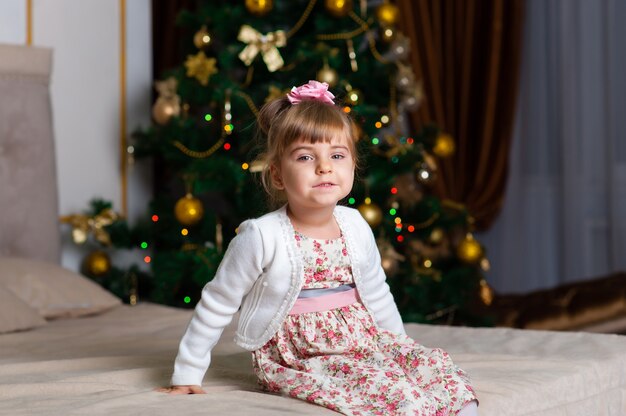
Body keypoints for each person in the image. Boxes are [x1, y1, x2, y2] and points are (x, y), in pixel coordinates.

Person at [158, 80, 478, 415]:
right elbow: (218, 301)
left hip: (363, 342)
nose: (324, 166)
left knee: (437, 371)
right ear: (279, 175)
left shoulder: (354, 225)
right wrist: (188, 373)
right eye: (305, 156)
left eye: (337, 155)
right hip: (304, 354)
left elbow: (376, 293)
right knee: (391, 393)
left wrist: (398, 349)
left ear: (353, 165)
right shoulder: (262, 235)